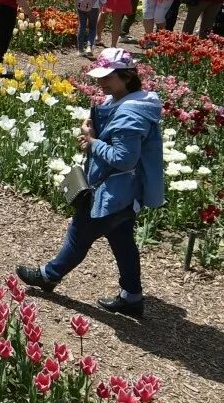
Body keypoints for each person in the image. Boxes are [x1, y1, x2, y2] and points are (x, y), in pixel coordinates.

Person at [15, 48, 164, 318]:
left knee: (79, 234)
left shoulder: (131, 115)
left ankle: (49, 275)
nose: (101, 82)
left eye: (108, 77)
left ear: (127, 76)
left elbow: (124, 159)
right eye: (100, 75)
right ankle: (132, 296)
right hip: (127, 194)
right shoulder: (127, 101)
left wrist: (93, 143)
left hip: (113, 191)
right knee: (122, 240)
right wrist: (93, 129)